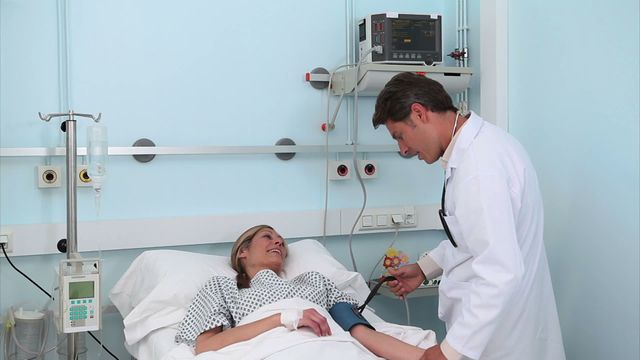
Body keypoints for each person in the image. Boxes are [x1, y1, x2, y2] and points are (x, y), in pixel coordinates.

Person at [372, 72, 566, 360]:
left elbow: (500, 271)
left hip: (502, 339)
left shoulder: (479, 168)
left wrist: (449, 351)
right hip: (504, 329)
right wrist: (425, 268)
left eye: (400, 135)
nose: (403, 149)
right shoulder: (485, 145)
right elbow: (470, 237)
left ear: (419, 113)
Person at [175, 224, 427, 360]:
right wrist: (283, 319)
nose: (278, 242)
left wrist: (426, 358)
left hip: (336, 348)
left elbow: (357, 330)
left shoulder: (314, 281)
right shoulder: (223, 286)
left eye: (281, 240)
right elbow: (206, 347)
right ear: (243, 251)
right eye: (267, 236)